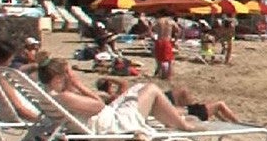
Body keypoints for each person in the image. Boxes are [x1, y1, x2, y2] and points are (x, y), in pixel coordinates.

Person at [37, 57, 197, 134]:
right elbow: (99, 105)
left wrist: (70, 86)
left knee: (140, 88)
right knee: (152, 88)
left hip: (107, 119)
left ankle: (173, 120)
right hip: (114, 124)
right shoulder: (64, 97)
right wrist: (78, 84)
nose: (71, 75)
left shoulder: (49, 94)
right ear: (58, 77)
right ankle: (183, 126)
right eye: (69, 72)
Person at [0, 39, 39, 119]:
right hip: (24, 113)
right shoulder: (0, 78)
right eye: (11, 59)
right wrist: (42, 121)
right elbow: (20, 108)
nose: (12, 61)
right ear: (2, 59)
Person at [167, 84, 242, 123]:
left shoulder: (165, 107)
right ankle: (237, 122)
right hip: (195, 113)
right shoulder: (173, 109)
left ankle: (227, 121)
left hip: (193, 111)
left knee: (215, 107)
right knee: (220, 104)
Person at [153, 13, 177, 80]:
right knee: (170, 60)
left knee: (159, 59)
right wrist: (175, 39)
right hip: (167, 41)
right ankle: (169, 76)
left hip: (159, 40)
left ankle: (159, 74)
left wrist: (153, 38)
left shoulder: (158, 21)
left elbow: (150, 30)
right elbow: (178, 30)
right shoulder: (171, 21)